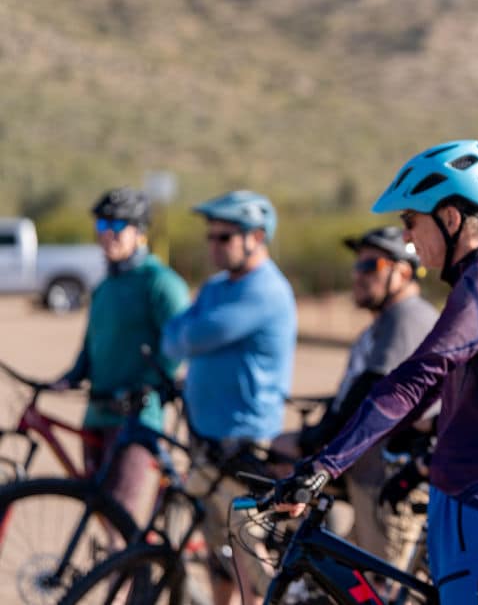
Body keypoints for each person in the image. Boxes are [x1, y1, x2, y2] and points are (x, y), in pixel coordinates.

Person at [281, 139, 478, 605]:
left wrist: (323, 465)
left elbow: (414, 379)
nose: (409, 239)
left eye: (411, 222)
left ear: (451, 218)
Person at [272, 226, 438, 567]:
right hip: (370, 473)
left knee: (382, 587)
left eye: (369, 267)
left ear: (403, 271)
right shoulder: (382, 323)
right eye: (356, 267)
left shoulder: (407, 317)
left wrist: (314, 441)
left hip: (391, 480)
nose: (358, 276)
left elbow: (369, 394)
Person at [162, 190, 296, 605]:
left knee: (252, 566)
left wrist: (190, 333)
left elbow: (194, 335)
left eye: (225, 237)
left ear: (256, 237)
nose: (214, 246)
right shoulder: (218, 287)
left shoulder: (265, 290)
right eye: (211, 237)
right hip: (205, 444)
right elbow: (171, 340)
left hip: (244, 448)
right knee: (218, 559)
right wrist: (188, 335)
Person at [54, 187, 189, 523]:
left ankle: (130, 574)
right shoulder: (104, 287)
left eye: (117, 227)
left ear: (140, 232)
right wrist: (72, 375)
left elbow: (180, 344)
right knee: (97, 510)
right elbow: (92, 344)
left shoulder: (159, 283)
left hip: (136, 419)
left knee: (119, 514)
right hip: (96, 413)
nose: (107, 235)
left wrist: (147, 384)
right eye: (101, 226)